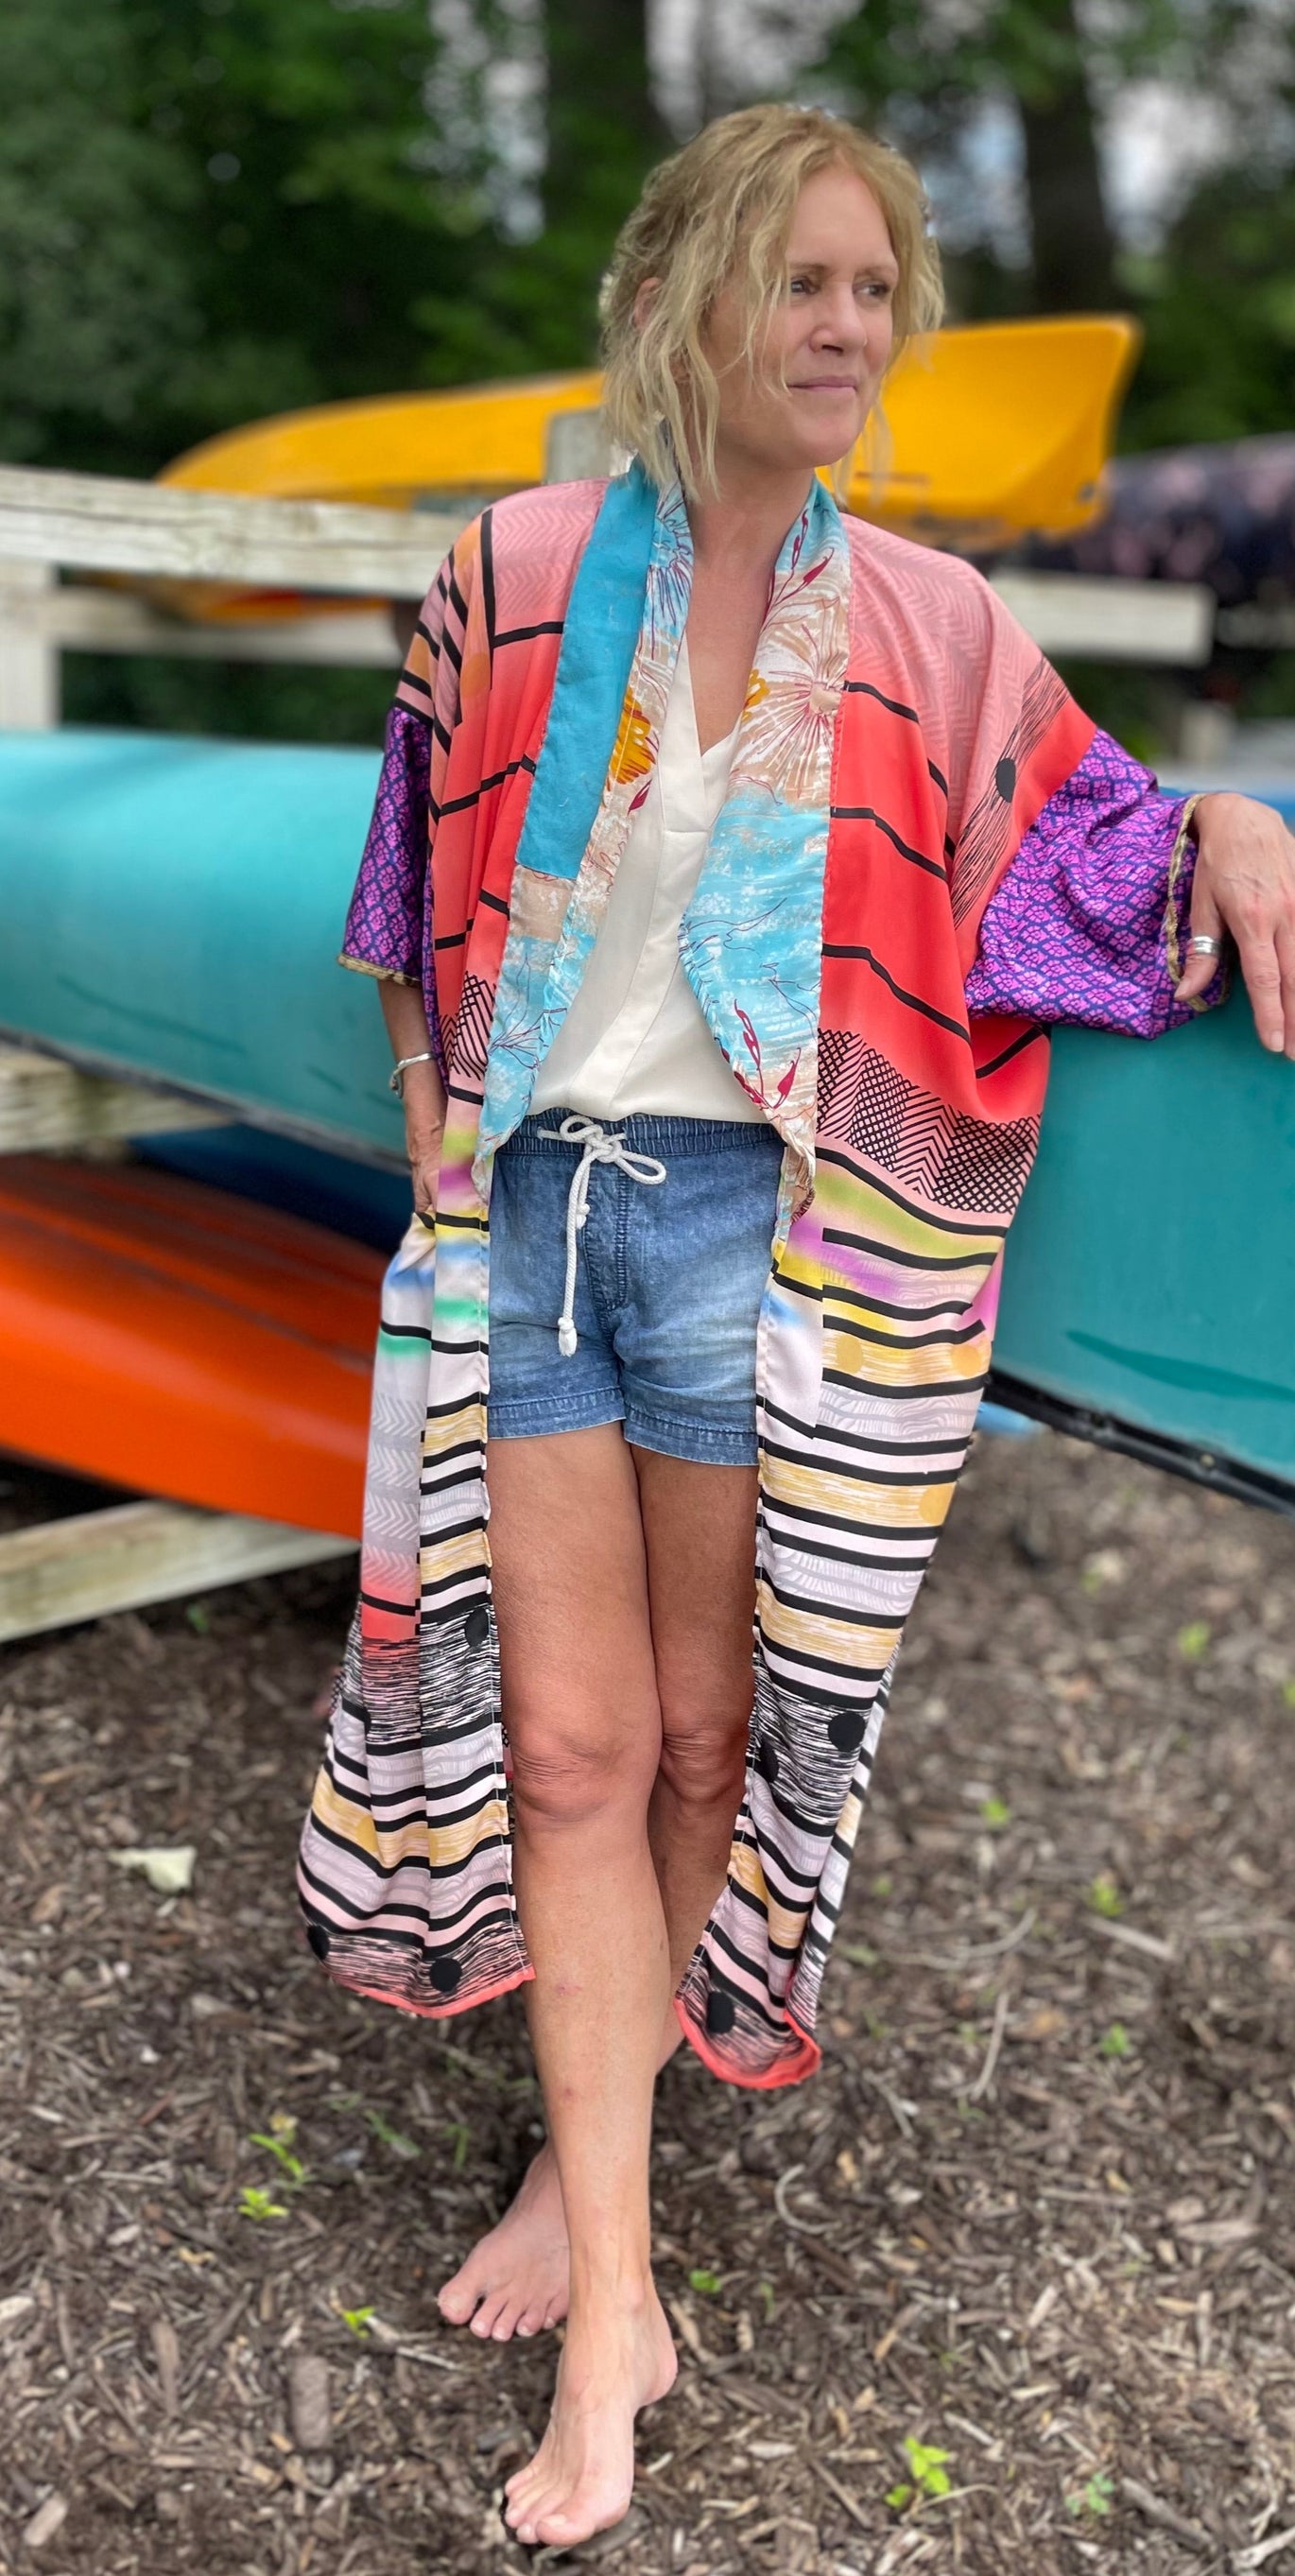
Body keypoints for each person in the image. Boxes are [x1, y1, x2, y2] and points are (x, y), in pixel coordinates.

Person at [297, 102, 1295, 2550]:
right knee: (562, 1749)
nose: (844, 328)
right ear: (678, 299)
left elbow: (1087, 860)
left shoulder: (935, 627)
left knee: (700, 1745)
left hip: (766, 1243)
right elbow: (402, 898)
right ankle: (613, 2325)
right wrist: (444, 1186)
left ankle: (577, 2161)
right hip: (530, 1220)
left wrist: (1245, 835)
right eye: (800, 281)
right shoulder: (513, 570)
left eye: (873, 289)